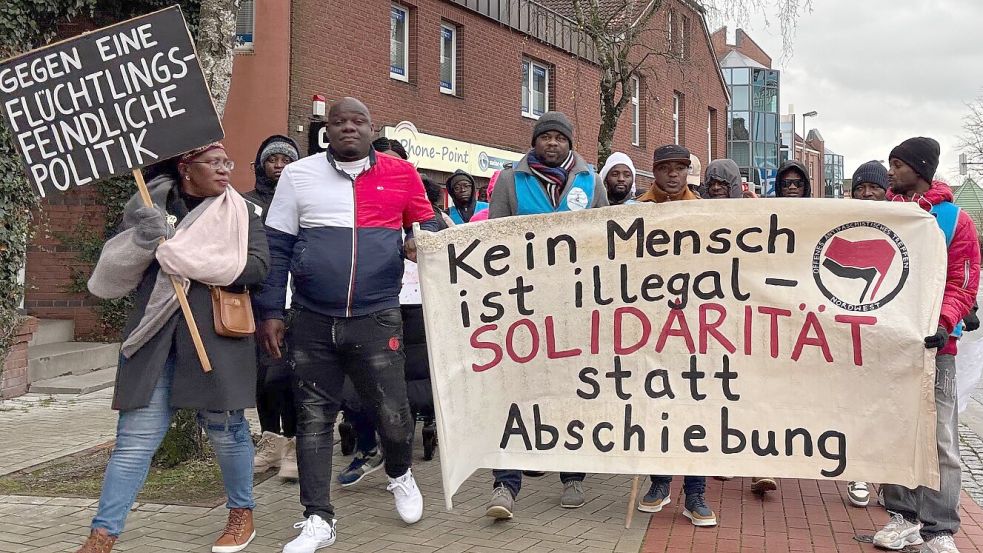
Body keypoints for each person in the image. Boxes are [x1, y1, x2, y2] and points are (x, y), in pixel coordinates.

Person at [256, 97, 436, 552]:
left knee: (395, 415)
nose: (348, 128)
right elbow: (277, 250)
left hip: (377, 315)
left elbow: (428, 226)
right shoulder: (299, 177)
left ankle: (399, 472)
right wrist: (273, 312)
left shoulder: (401, 174)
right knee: (314, 419)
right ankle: (317, 517)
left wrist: (420, 242)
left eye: (358, 122)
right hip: (313, 319)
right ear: (326, 131)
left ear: (373, 128)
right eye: (339, 122)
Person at [79, 143, 271, 553]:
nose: (224, 170)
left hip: (215, 338)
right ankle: (102, 536)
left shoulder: (243, 212)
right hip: (156, 340)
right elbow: (114, 275)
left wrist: (186, 257)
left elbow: (256, 268)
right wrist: (143, 240)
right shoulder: (148, 206)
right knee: (134, 441)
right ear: (186, 167)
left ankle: (242, 514)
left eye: (227, 162)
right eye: (214, 163)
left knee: (227, 431)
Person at [485, 111, 607, 519]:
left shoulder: (592, 181)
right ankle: (505, 485)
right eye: (545, 137)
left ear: (571, 143)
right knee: (515, 394)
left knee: (572, 392)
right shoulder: (509, 181)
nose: (552, 144)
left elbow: (607, 239)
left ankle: (572, 476)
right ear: (534, 142)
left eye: (560, 138)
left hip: (576, 305)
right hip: (523, 304)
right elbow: (492, 241)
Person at [873, 137, 980, 553]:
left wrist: (945, 321)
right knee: (896, 431)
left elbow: (963, 281)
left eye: (897, 165)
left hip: (938, 349)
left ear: (919, 169)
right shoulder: (886, 213)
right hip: (893, 345)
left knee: (941, 440)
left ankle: (939, 529)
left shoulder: (955, 220)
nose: (891, 172)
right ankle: (902, 515)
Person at [635, 144, 716, 527]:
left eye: (679, 168)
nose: (672, 174)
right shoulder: (636, 211)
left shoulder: (704, 213)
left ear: (688, 173)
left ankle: (695, 492)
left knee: (696, 410)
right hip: (649, 328)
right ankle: (660, 483)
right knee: (656, 407)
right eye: (665, 168)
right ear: (655, 172)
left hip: (696, 329)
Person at [244, 135, 301, 481]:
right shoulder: (245, 203)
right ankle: (270, 441)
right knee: (264, 378)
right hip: (256, 300)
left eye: (285, 160)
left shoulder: (303, 200)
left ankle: (293, 445)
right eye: (272, 160)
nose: (278, 166)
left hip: (295, 300)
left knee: (288, 376)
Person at [841, 160, 890, 508]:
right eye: (860, 188)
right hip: (850, 331)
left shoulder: (910, 225)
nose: (867, 194)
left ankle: (890, 477)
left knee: (890, 406)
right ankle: (858, 471)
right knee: (856, 403)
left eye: (873, 187)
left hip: (892, 332)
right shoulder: (842, 223)